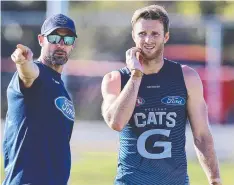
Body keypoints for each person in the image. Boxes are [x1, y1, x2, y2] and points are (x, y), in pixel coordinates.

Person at [101, 5, 222, 185]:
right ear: (133, 36)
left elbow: (202, 135)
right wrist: (136, 75)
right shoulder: (115, 79)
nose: (148, 39)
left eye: (155, 34)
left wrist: (215, 179)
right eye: (142, 33)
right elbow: (116, 122)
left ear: (166, 36)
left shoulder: (186, 77)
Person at [2, 14, 77, 185]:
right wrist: (22, 63)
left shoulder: (60, 87)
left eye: (68, 39)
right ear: (41, 40)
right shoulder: (37, 74)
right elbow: (29, 74)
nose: (61, 44)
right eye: (54, 37)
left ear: (73, 44)